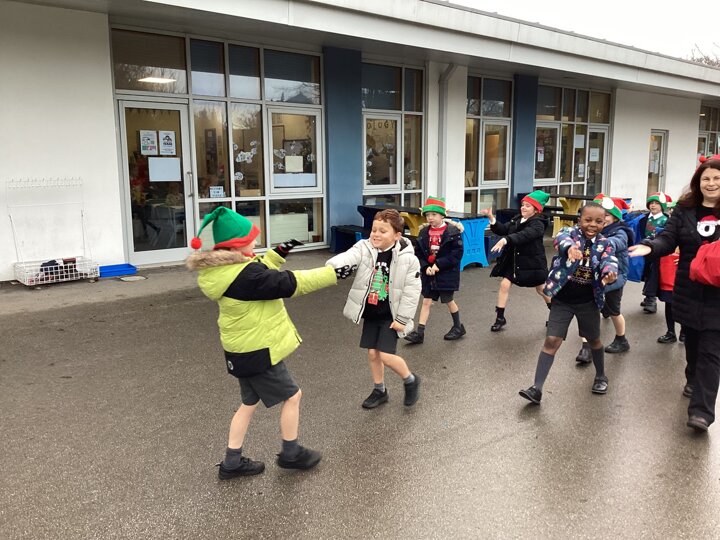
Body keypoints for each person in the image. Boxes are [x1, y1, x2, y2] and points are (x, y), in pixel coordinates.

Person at [186, 207, 338, 478]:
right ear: (237, 244)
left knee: (249, 403)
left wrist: (278, 253)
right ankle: (291, 453)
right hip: (257, 351)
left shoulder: (227, 269)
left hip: (240, 351)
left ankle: (232, 462)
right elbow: (288, 283)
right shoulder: (245, 276)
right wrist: (334, 273)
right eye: (251, 238)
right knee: (293, 396)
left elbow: (258, 270)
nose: (256, 241)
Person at [630, 155, 720, 432]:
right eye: (706, 178)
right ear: (697, 181)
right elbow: (668, 238)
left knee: (712, 352)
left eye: (717, 178)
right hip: (690, 288)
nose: (711, 183)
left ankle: (702, 412)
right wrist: (650, 246)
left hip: (718, 293)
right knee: (693, 342)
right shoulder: (685, 209)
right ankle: (691, 377)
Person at [519, 203, 618, 404]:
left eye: (598, 221)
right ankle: (536, 389)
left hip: (588, 302)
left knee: (594, 340)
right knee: (551, 340)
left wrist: (609, 273)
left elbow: (610, 260)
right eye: (588, 220)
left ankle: (601, 376)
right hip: (562, 300)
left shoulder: (605, 243)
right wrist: (570, 249)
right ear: (579, 219)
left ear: (604, 223)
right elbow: (560, 240)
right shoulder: (569, 234)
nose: (592, 224)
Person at [326, 208, 422, 409]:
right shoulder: (364, 247)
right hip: (372, 312)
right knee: (372, 353)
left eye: (383, 231)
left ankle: (410, 379)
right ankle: (380, 390)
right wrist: (331, 267)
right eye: (374, 230)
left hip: (391, 315)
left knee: (386, 355)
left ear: (397, 235)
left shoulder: (408, 259)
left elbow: (412, 292)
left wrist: (402, 319)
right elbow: (348, 257)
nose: (376, 234)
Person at [576, 195, 635, 361]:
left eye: (606, 215)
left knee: (614, 311)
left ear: (615, 217)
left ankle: (621, 339)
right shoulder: (592, 230)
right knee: (588, 310)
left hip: (614, 279)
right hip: (592, 278)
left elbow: (616, 243)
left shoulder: (620, 232)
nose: (601, 218)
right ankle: (586, 348)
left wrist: (599, 243)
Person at [483, 190, 551, 332]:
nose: (523, 208)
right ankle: (500, 318)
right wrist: (492, 218)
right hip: (515, 261)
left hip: (532, 263)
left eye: (527, 206)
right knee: (504, 284)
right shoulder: (517, 219)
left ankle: (555, 314)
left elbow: (524, 235)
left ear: (536, 210)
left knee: (541, 290)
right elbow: (504, 229)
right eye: (523, 205)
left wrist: (506, 240)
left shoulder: (538, 224)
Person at [404, 196, 465, 344]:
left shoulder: (452, 232)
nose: (430, 218)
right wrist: (425, 266)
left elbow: (457, 253)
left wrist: (438, 265)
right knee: (426, 301)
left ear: (442, 215)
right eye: (427, 215)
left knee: (448, 300)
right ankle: (420, 333)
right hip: (429, 273)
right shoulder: (424, 232)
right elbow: (418, 253)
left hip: (446, 273)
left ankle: (458, 327)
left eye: (434, 214)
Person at [638, 192, 672, 314]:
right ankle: (647, 295)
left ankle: (651, 300)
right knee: (646, 272)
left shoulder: (666, 220)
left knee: (654, 274)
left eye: (656, 203)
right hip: (644, 248)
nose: (653, 205)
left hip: (658, 251)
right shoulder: (644, 218)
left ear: (662, 206)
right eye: (651, 203)